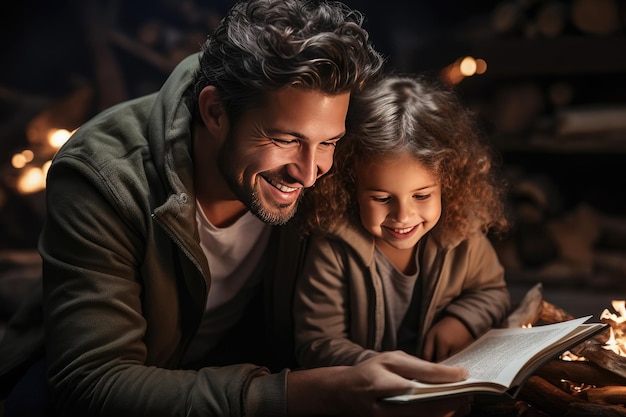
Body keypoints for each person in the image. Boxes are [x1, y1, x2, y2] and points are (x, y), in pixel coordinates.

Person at [0, 1, 472, 416]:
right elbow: (93, 384)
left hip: (233, 367)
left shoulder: (328, 160)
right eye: (285, 140)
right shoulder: (102, 175)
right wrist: (304, 394)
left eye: (327, 142)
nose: (310, 173)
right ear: (214, 112)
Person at [294, 74, 511, 370]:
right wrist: (380, 366)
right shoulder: (333, 248)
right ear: (350, 185)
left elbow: (492, 292)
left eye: (421, 196)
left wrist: (461, 320)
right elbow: (317, 343)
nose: (403, 216)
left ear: (447, 183)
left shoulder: (462, 233)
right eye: (382, 199)